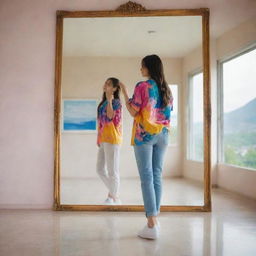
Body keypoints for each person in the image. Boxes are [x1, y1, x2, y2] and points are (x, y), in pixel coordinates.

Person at [120, 55, 173, 239]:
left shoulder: (142, 86)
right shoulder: (166, 89)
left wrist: (125, 94)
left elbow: (134, 112)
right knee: (157, 175)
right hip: (164, 135)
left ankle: (151, 223)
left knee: (147, 177)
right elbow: (166, 113)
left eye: (142, 67)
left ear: (149, 68)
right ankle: (154, 219)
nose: (140, 70)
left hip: (145, 135)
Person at [96, 77, 122, 205]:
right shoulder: (102, 103)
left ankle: (113, 196)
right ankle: (114, 193)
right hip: (103, 139)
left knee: (113, 170)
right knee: (99, 169)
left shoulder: (116, 102)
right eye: (105, 82)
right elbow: (100, 122)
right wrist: (98, 137)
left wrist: (109, 100)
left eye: (109, 84)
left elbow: (111, 116)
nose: (106, 85)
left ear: (115, 88)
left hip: (112, 138)